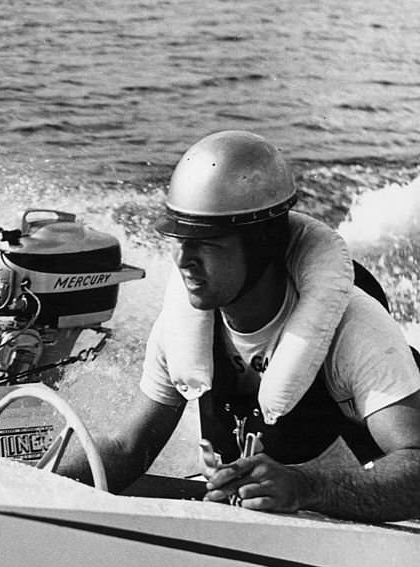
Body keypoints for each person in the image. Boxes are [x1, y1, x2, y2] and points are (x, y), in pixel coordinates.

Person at [60, 130, 420, 523]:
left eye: (207, 243)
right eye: (178, 239)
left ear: (262, 243)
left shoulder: (355, 329)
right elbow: (129, 448)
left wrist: (307, 487)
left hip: (369, 526)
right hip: (259, 523)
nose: (184, 260)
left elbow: (416, 465)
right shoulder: (183, 327)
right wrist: (29, 486)